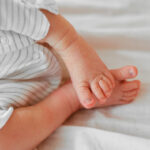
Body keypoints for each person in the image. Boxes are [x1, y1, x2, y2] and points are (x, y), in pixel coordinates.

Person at [0, 0, 140, 149]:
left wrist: (68, 43)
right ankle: (70, 98)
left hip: (29, 24)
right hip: (16, 84)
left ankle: (64, 39)